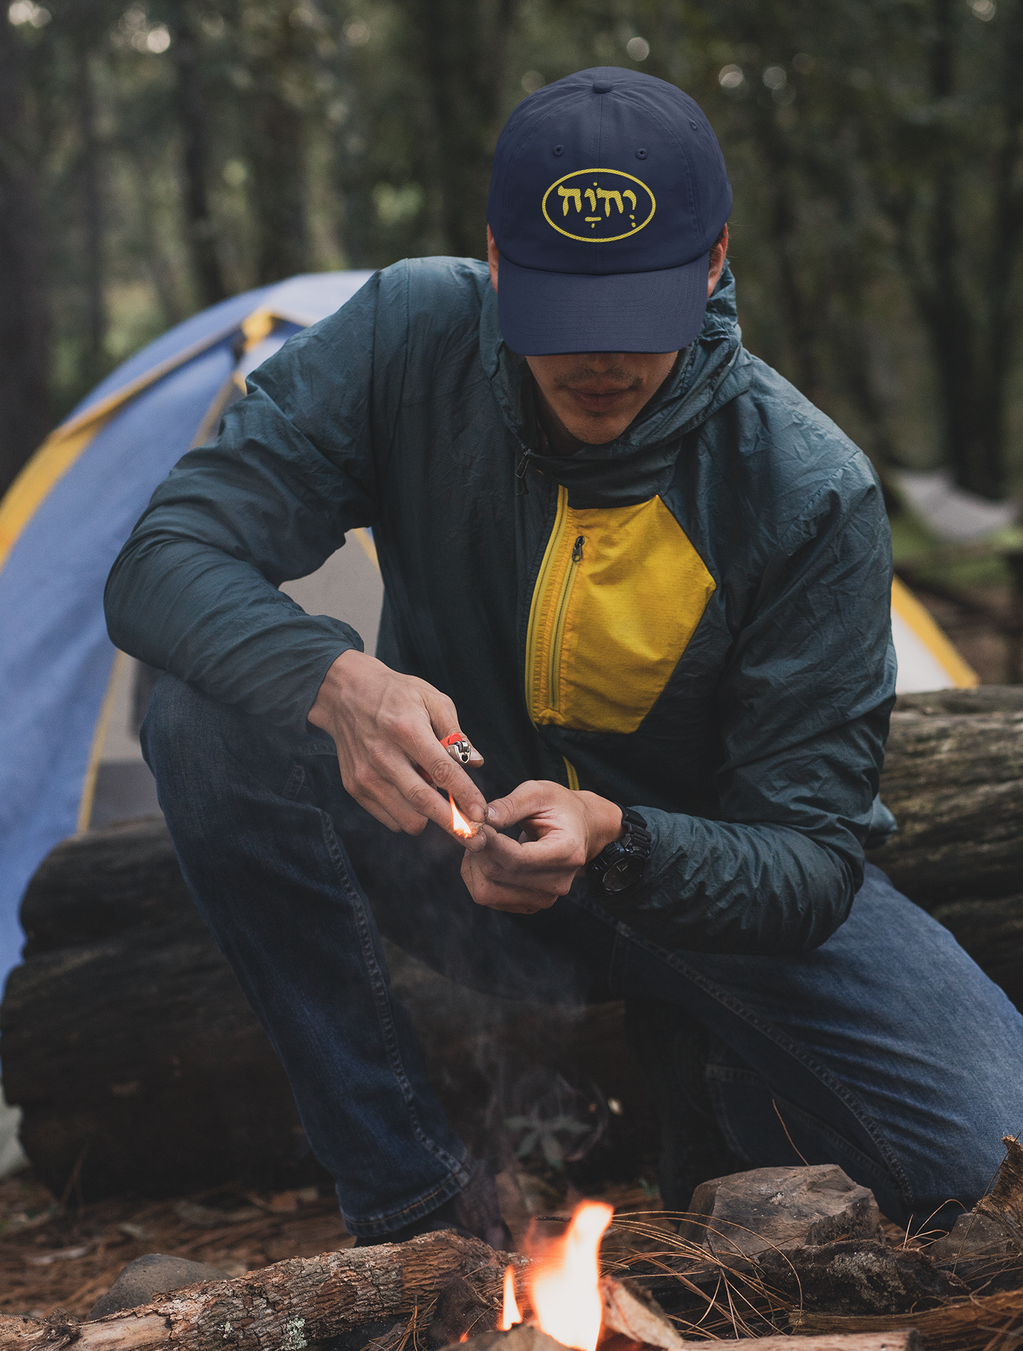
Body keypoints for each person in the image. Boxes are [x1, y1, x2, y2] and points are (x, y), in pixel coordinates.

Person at [105, 66, 1023, 1247]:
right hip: (452, 845)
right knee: (202, 716)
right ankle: (413, 1206)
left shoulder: (803, 487)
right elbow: (161, 559)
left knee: (989, 1155)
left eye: (636, 315)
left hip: (696, 884)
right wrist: (335, 682)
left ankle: (714, 1084)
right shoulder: (409, 338)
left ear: (713, 260)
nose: (600, 361)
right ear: (496, 259)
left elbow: (807, 862)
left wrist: (618, 839)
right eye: (563, 313)